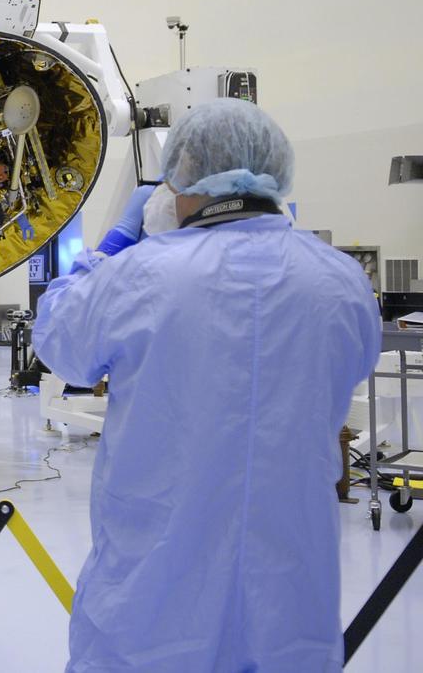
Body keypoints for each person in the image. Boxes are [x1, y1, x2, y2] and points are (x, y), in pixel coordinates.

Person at [33, 99, 381, 672]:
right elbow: (347, 375)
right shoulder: (340, 281)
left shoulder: (140, 275)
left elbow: (63, 348)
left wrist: (112, 249)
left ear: (184, 177)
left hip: (154, 600)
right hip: (289, 601)